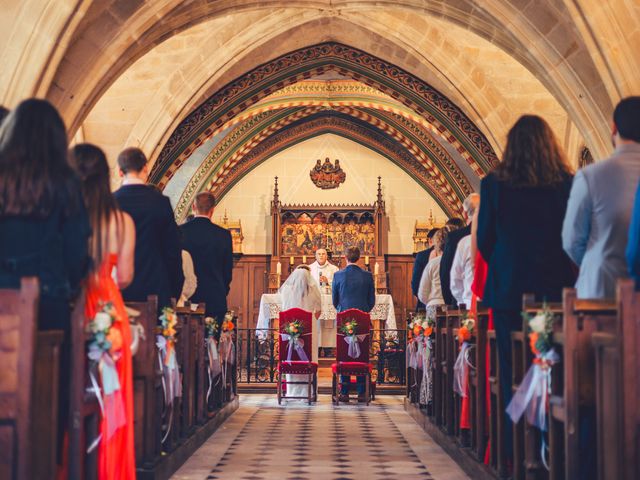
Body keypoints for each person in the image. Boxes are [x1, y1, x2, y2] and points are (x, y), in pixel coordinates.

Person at [477, 114, 575, 464]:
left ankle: (510, 453)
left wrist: (507, 264)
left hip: (509, 292)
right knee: (548, 363)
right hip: (551, 292)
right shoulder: (566, 183)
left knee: (511, 372)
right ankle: (549, 444)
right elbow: (572, 237)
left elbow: (485, 239)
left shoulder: (493, 184)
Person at [0, 99, 91, 471]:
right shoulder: (65, 183)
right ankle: (43, 464)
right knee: (47, 399)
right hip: (49, 310)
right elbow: (75, 254)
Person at [69, 143, 137, 480]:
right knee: (110, 395)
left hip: (76, 307)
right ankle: (110, 470)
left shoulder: (65, 215)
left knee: (70, 390)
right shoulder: (121, 221)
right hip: (109, 310)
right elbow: (124, 277)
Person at [564, 96, 640, 299]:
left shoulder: (591, 176)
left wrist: (595, 261)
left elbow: (572, 241)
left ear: (614, 128)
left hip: (600, 290)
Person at [114, 147, 183, 310]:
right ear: (145, 168)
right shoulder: (160, 202)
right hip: (154, 288)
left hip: (118, 291)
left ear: (119, 172)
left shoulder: (110, 202)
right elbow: (172, 252)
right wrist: (173, 292)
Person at [180, 191, 233, 333]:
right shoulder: (223, 235)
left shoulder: (180, 232)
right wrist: (222, 290)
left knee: (186, 346)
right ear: (212, 210)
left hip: (187, 300)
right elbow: (227, 271)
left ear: (193, 207)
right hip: (215, 298)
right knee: (211, 346)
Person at [332, 246, 375, 401]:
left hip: (344, 318)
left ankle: (343, 392)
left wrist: (344, 311)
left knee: (344, 353)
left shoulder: (338, 275)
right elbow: (372, 301)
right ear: (360, 258)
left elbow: (334, 301)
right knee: (362, 353)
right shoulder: (367, 276)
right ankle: (362, 392)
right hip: (363, 318)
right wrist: (362, 313)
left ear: (345, 257)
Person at [279, 265, 322, 398]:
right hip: (309, 330)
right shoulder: (314, 289)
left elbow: (284, 310)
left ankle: (292, 390)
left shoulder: (286, 290)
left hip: (290, 328)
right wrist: (309, 323)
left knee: (291, 356)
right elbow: (319, 311)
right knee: (310, 356)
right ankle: (310, 392)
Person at [440, 197, 479, 306]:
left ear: (465, 214)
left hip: (463, 302)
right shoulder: (497, 236)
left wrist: (452, 303)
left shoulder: (455, 238)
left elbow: (446, 273)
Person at [417, 229, 447, 318]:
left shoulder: (432, 263)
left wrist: (430, 302)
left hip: (433, 305)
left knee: (432, 331)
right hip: (450, 306)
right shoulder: (453, 262)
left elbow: (422, 293)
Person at [411, 228, 439, 311]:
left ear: (430, 240)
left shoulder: (421, 255)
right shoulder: (448, 254)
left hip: (424, 303)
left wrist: (421, 297)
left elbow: (415, 282)